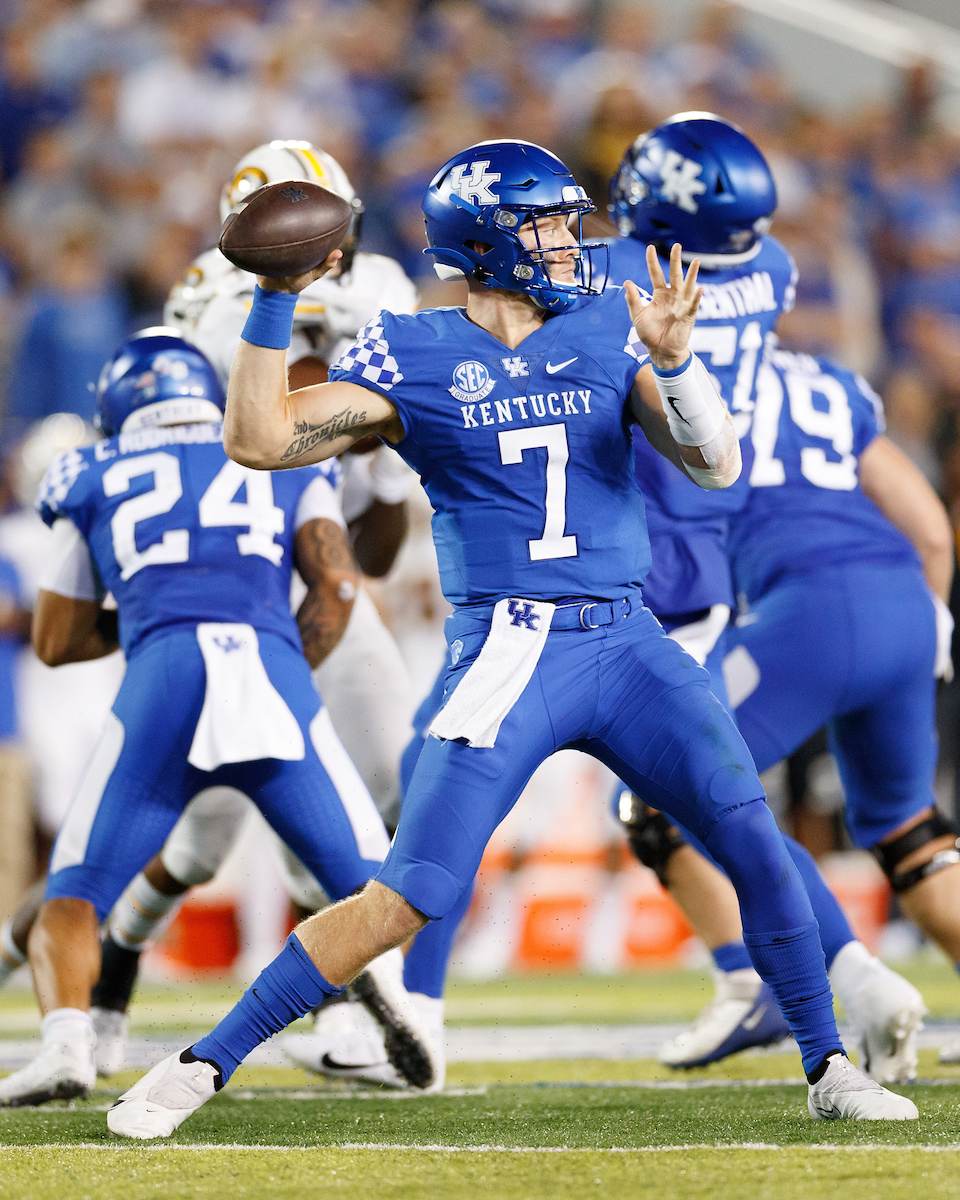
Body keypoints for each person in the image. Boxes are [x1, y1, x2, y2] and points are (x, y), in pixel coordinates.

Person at [109, 138, 917, 1138]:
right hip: (509, 650)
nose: (571, 241)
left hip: (629, 642)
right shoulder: (410, 350)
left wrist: (677, 363)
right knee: (411, 895)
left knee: (753, 839)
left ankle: (828, 1062)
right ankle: (201, 1064)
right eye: (545, 223)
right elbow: (260, 439)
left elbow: (713, 464)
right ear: (487, 241)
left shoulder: (605, 329)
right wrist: (275, 299)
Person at [0, 329, 434, 1108]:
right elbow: (337, 587)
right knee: (375, 883)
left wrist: (147, 620)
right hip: (268, 670)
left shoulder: (92, 471)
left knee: (74, 891)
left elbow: (56, 639)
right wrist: (279, 664)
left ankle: (67, 1042)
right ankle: (386, 1002)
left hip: (163, 675)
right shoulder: (279, 454)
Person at [83, 140, 425, 1088]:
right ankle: (110, 963)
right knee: (201, 839)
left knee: (402, 787)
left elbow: (378, 557)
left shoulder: (380, 298)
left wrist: (389, 454)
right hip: (227, 601)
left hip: (329, 589)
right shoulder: (209, 309)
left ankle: (387, 1013)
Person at [605, 113, 926, 1076]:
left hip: (643, 538)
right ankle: (761, 978)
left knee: (698, 796)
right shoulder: (775, 268)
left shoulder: (618, 266)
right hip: (721, 542)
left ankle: (832, 979)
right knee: (690, 797)